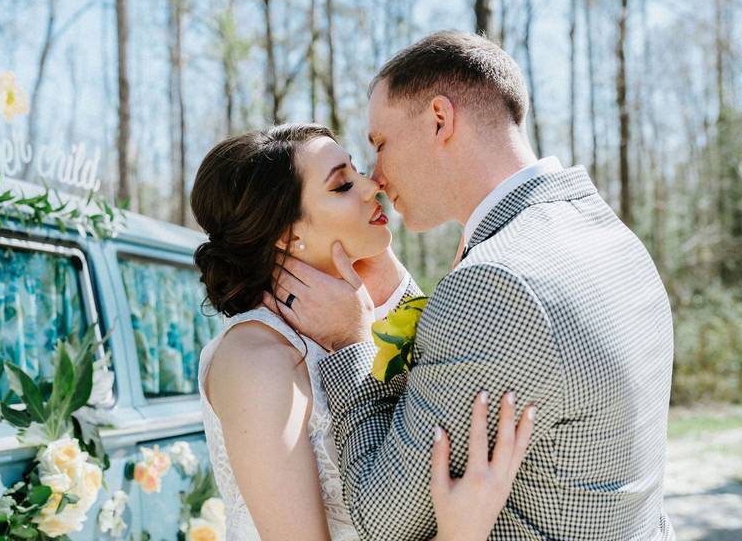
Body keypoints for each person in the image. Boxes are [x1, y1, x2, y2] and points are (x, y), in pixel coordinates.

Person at [266, 31, 675, 539]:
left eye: (380, 144)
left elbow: (384, 519)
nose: (378, 176)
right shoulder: (608, 234)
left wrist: (351, 344)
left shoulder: (496, 281)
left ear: (440, 119)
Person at [191, 124, 534, 540]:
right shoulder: (257, 361)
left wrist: (387, 287)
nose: (373, 185)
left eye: (358, 172)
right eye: (342, 185)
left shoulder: (356, 315)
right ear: (287, 235)